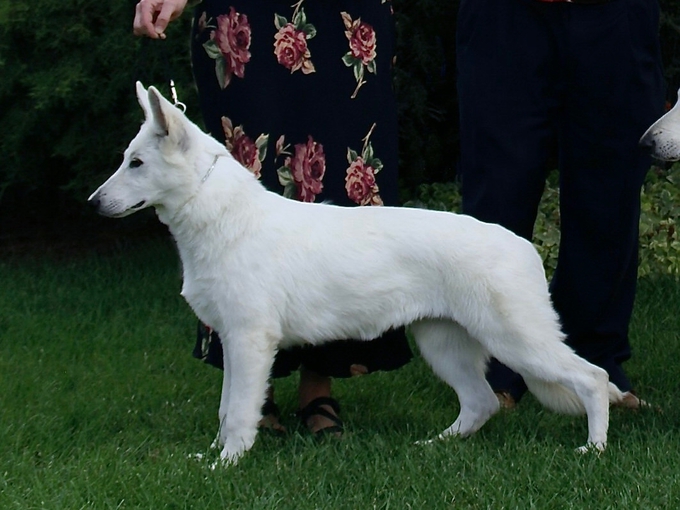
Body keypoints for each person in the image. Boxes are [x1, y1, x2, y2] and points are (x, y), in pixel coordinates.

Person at [133, 0, 412, 435]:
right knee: (244, 179)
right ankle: (251, 396)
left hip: (342, 14)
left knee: (344, 181)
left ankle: (318, 386)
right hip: (248, 14)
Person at [456, 0, 665, 408]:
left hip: (616, 16)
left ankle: (593, 360)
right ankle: (496, 366)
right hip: (505, 18)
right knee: (498, 189)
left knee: (610, 191)